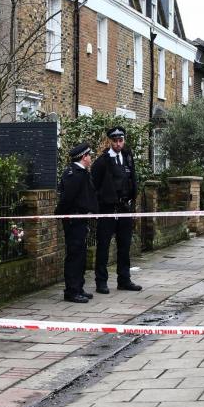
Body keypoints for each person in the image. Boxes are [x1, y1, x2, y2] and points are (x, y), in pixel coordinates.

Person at [91, 125, 142, 294]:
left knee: (124, 246)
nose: (118, 143)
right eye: (115, 140)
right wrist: (100, 208)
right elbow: (94, 187)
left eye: (121, 140)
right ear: (110, 141)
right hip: (108, 209)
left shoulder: (128, 157)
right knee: (103, 247)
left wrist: (132, 199)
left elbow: (132, 179)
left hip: (124, 208)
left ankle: (124, 280)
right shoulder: (101, 162)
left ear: (123, 140)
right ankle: (101, 282)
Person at [56, 143, 98, 303]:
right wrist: (63, 215)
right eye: (89, 156)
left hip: (80, 219)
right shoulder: (75, 174)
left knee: (80, 254)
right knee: (74, 255)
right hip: (74, 220)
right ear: (83, 157)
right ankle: (72, 291)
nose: (90, 158)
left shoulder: (79, 172)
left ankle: (78, 287)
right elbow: (67, 199)